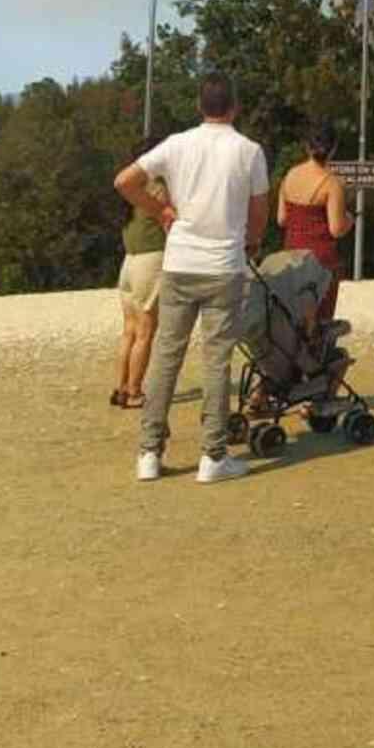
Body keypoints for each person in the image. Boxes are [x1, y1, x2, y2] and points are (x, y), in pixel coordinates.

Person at [114, 70, 269, 485]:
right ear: (234, 107)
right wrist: (252, 243)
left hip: (180, 262)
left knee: (167, 356)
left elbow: (124, 181)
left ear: (200, 107)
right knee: (217, 361)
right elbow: (258, 214)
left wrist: (159, 210)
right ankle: (212, 457)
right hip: (223, 267)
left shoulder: (177, 144)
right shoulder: (249, 151)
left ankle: (149, 452)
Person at [112, 142, 174, 408]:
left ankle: (121, 386)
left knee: (130, 330)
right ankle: (135, 390)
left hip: (129, 261)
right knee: (146, 332)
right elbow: (172, 221)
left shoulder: (131, 190)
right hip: (151, 260)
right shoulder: (157, 186)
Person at [277, 124, 353, 318]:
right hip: (320, 260)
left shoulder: (290, 175)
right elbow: (336, 229)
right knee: (320, 320)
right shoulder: (331, 183)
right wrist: (350, 220)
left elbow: (282, 219)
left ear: (306, 146)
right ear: (333, 148)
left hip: (291, 256)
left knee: (293, 318)